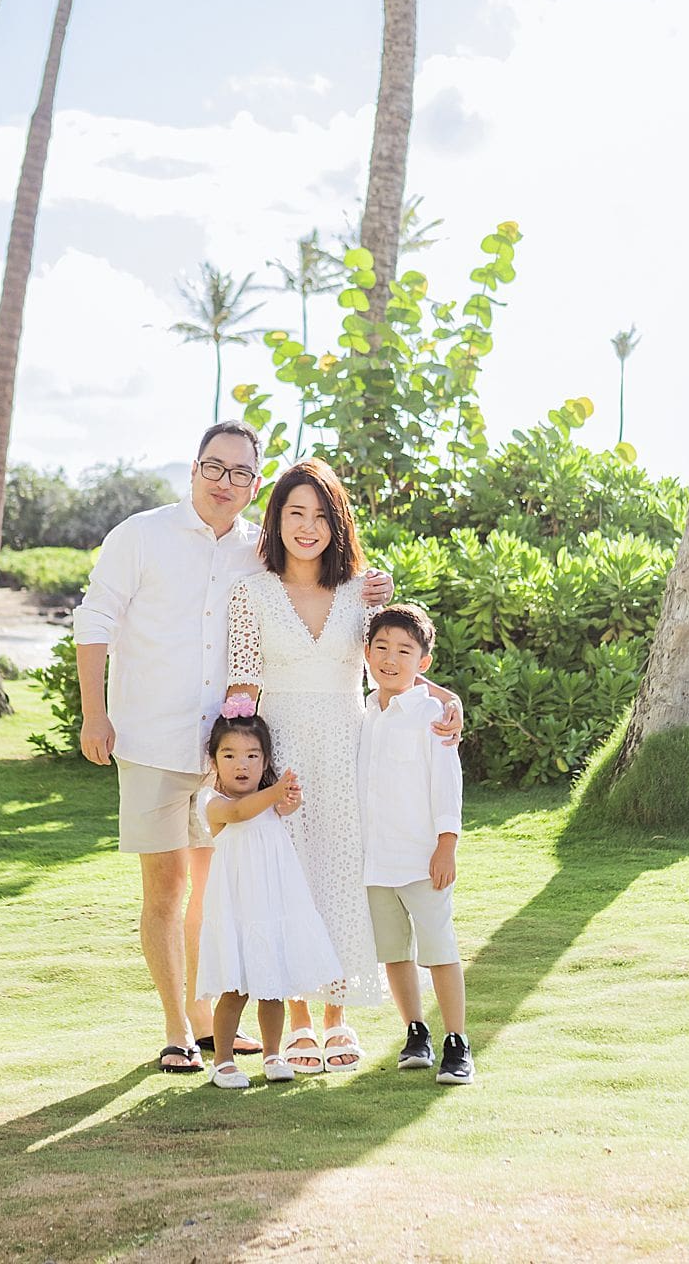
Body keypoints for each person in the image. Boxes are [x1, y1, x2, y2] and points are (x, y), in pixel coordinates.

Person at [75, 421, 390, 1074]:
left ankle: (216, 1021)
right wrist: (94, 715)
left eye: (241, 473)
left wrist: (381, 602)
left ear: (254, 484)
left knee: (225, 891)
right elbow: (97, 619)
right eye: (215, 468)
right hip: (160, 740)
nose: (226, 483)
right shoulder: (144, 537)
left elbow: (363, 627)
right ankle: (178, 1030)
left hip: (250, 757)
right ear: (194, 468)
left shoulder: (260, 554)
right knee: (168, 890)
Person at [227, 460, 462, 1075]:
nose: (307, 527)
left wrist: (446, 698)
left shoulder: (362, 593)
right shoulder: (249, 593)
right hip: (282, 748)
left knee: (345, 876)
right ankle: (299, 1020)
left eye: (320, 516)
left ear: (338, 524)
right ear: (275, 519)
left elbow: (395, 663)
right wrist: (238, 769)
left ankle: (338, 1017)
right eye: (294, 513)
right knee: (292, 877)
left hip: (349, 745)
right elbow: (242, 686)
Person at [196, 696, 344, 1090]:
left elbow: (283, 811)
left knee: (272, 986)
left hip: (273, 902)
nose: (241, 765)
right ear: (214, 761)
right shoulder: (214, 802)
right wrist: (276, 791)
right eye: (229, 756)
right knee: (234, 987)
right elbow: (242, 814)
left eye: (251, 755)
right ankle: (224, 1061)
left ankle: (273, 1053)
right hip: (237, 909)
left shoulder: (269, 800)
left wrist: (289, 798)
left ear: (264, 761)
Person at [359, 602, 474, 1087]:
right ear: (366, 653)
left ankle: (457, 1043)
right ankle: (415, 1032)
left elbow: (447, 786)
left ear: (423, 663)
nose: (390, 658)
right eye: (381, 647)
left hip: (424, 859)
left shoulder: (432, 714)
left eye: (404, 650)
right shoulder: (363, 710)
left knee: (439, 948)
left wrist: (445, 846)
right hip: (374, 860)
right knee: (394, 952)